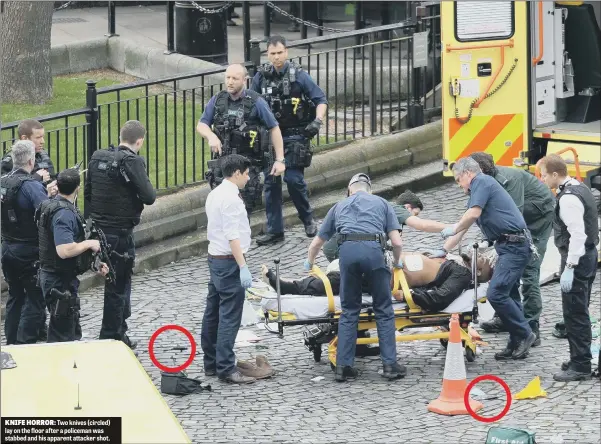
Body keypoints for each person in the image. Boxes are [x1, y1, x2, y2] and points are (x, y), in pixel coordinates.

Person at [304, 173, 407, 382]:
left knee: (350, 309)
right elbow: (397, 242)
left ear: (350, 189)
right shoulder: (382, 204)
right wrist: (397, 263)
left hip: (348, 255)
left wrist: (310, 263)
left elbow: (316, 243)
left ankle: (343, 367)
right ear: (369, 188)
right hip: (373, 253)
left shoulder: (339, 207)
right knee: (383, 309)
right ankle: (389, 365)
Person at [439, 157, 537, 360]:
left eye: (458, 180)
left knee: (497, 293)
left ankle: (525, 334)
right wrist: (443, 250)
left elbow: (472, 215)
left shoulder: (481, 182)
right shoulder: (479, 189)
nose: (459, 185)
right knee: (510, 295)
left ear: (468, 173)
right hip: (507, 246)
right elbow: (465, 224)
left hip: (514, 246)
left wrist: (454, 228)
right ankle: (515, 343)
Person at [467, 152, 555, 346]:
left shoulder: (509, 180)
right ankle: (508, 317)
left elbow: (513, 215)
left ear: (479, 171)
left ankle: (532, 325)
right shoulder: (484, 182)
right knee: (506, 266)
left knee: (529, 269)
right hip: (516, 224)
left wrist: (496, 241)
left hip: (537, 216)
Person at [84, 120, 156, 350]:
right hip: (120, 233)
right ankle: (111, 337)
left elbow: (89, 192)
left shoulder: (97, 157)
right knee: (118, 285)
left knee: (118, 283)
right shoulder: (132, 161)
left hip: (99, 229)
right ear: (140, 141)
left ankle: (118, 331)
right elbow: (149, 196)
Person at [250, 35, 328, 245]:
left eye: (280, 53)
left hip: (295, 134)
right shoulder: (261, 78)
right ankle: (275, 230)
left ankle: (307, 218)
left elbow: (321, 100)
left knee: (294, 180)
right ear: (267, 54)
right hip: (270, 137)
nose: (276, 57)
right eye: (272, 54)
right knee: (271, 183)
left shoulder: (299, 76)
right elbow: (251, 104)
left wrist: (317, 121)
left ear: (287, 52)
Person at [261, 250, 494, 313]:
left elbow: (442, 298)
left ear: (479, 273)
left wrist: (410, 297)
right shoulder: (455, 261)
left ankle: (290, 286)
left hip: (389, 277)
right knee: (339, 278)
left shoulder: (462, 276)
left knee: (339, 282)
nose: (482, 256)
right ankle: (294, 284)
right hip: (386, 265)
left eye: (483, 261)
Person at [197, 63, 286, 220]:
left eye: (235, 78)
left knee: (241, 215)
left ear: (244, 80)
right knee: (222, 212)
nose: (230, 82)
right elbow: (201, 124)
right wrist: (211, 136)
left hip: (247, 165)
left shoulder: (256, 102)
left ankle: (240, 244)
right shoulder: (218, 100)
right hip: (224, 164)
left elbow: (274, 129)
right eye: (228, 77)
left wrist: (280, 160)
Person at [539, 154, 599, 381]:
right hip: (589, 255)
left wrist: (570, 266)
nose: (543, 179)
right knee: (579, 309)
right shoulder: (579, 187)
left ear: (555, 174)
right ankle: (578, 357)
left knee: (575, 313)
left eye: (544, 175)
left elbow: (577, 235)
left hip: (578, 258)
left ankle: (580, 365)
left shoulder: (568, 199)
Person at [201, 154, 256, 384]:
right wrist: (243, 265)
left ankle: (211, 362)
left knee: (212, 311)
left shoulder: (215, 194)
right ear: (236, 173)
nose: (249, 177)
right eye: (246, 173)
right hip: (229, 261)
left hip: (215, 258)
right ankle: (226, 367)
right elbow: (233, 236)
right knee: (229, 316)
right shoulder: (232, 199)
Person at [36, 169, 108, 343]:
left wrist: (95, 263)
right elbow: (64, 250)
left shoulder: (48, 204)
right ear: (78, 188)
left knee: (70, 329)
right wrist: (90, 244)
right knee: (62, 337)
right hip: (58, 280)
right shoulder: (64, 214)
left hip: (56, 276)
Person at [2, 119, 56, 341]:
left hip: (7, 247)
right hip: (28, 250)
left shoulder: (4, 181)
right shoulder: (31, 186)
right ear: (32, 160)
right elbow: (46, 214)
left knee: (15, 296)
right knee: (35, 298)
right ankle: (25, 343)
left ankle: (11, 341)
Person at [322, 190, 446, 262]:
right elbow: (422, 225)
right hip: (341, 246)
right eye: (415, 213)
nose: (415, 217)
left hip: (338, 244)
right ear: (407, 207)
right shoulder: (397, 210)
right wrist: (452, 226)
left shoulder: (388, 212)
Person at [2, 119, 55, 184]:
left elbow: (52, 177)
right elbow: (4, 187)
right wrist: (35, 178)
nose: (42, 141)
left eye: (43, 137)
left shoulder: (42, 154)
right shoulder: (11, 160)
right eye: (38, 137)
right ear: (24, 138)